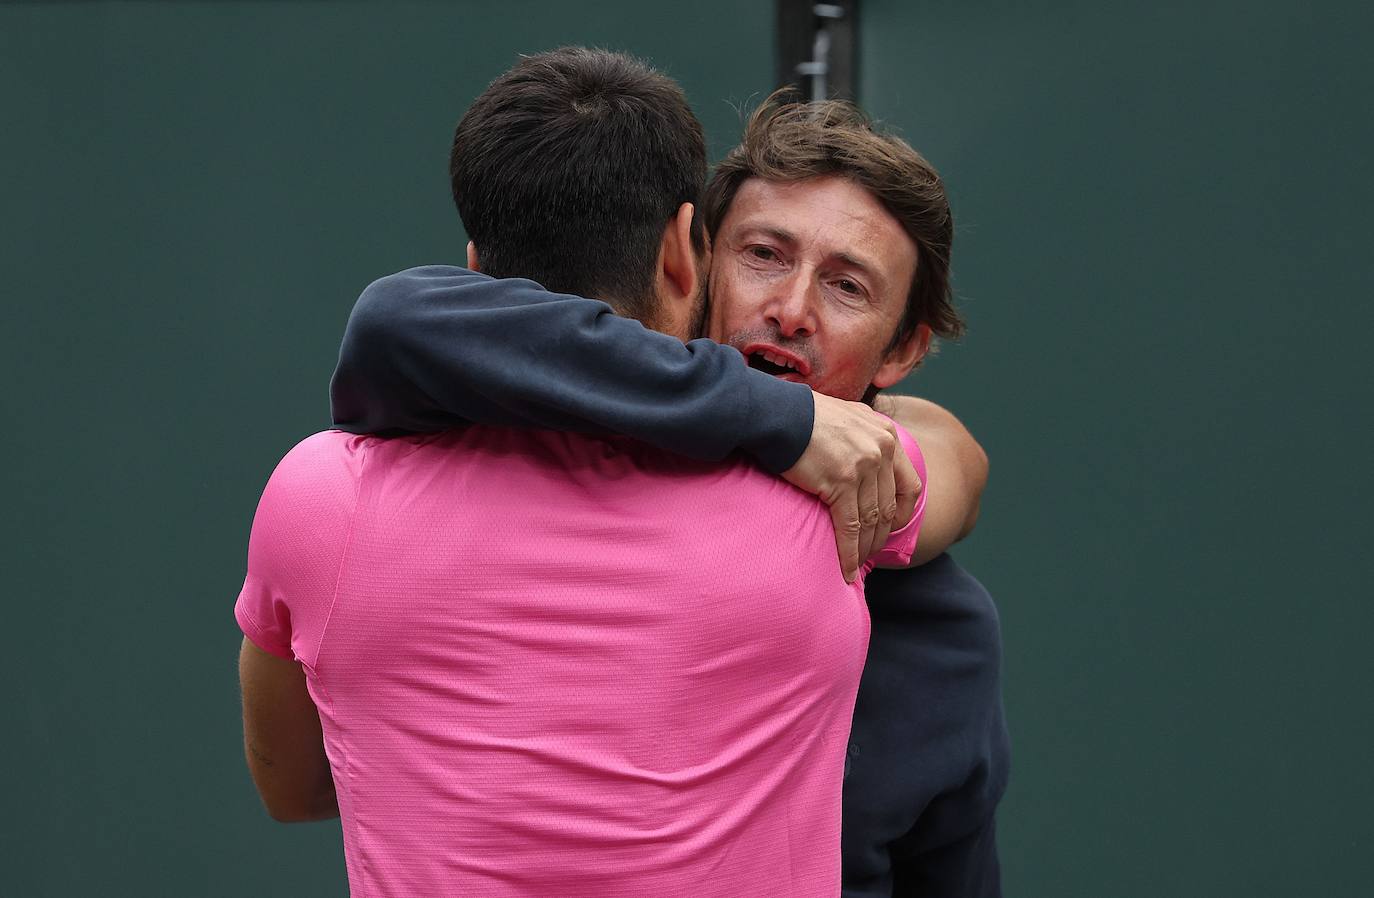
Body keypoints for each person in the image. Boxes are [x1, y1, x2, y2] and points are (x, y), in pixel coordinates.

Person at [237, 48, 962, 898]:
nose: (793, 307)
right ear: (682, 256)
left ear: (478, 272)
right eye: (764, 255)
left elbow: (294, 787)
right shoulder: (831, 493)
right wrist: (797, 421)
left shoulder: (321, 496)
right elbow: (953, 464)